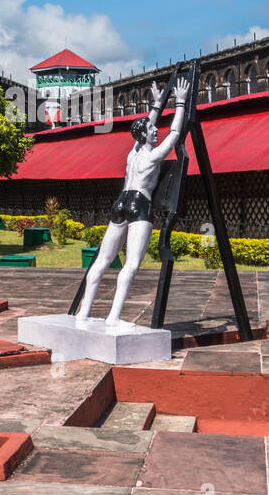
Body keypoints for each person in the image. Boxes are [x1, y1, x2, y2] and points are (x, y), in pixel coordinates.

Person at [76, 75, 192, 327]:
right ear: (146, 135)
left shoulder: (133, 154)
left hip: (120, 204)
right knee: (131, 264)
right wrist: (180, 103)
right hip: (139, 204)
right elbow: (174, 133)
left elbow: (145, 129)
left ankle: (84, 312)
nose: (155, 130)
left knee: (102, 261)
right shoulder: (151, 157)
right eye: (152, 130)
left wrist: (157, 106)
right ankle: (113, 316)